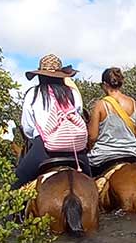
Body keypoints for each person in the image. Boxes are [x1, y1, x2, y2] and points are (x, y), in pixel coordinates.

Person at [13, 54, 91, 189]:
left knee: (16, 182)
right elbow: (78, 114)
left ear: (40, 75)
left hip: (43, 147)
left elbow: (28, 128)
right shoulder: (73, 93)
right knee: (91, 182)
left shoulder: (33, 93)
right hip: (75, 149)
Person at [87, 67, 136, 173]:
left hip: (105, 155)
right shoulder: (133, 103)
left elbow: (92, 136)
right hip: (132, 153)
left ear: (105, 84)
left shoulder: (100, 105)